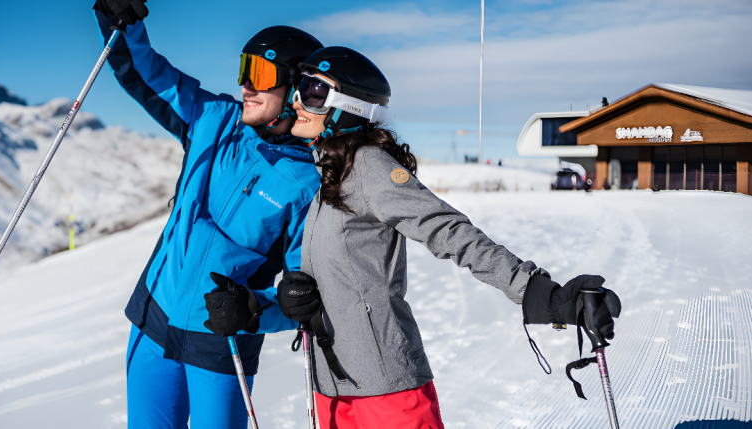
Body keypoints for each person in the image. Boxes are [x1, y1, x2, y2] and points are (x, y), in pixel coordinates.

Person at [275, 47, 622, 429]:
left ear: (349, 106)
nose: (296, 100)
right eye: (297, 87)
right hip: (332, 389)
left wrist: (536, 292)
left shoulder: (369, 167)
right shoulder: (328, 178)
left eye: (312, 90)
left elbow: (448, 230)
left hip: (385, 391)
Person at [91, 1, 324, 428]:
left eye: (261, 75)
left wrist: (254, 308)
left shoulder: (306, 185)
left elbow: (301, 294)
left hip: (222, 342)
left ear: (295, 90)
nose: (246, 86)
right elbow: (149, 74)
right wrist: (118, 20)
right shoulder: (213, 120)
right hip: (153, 316)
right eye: (244, 70)